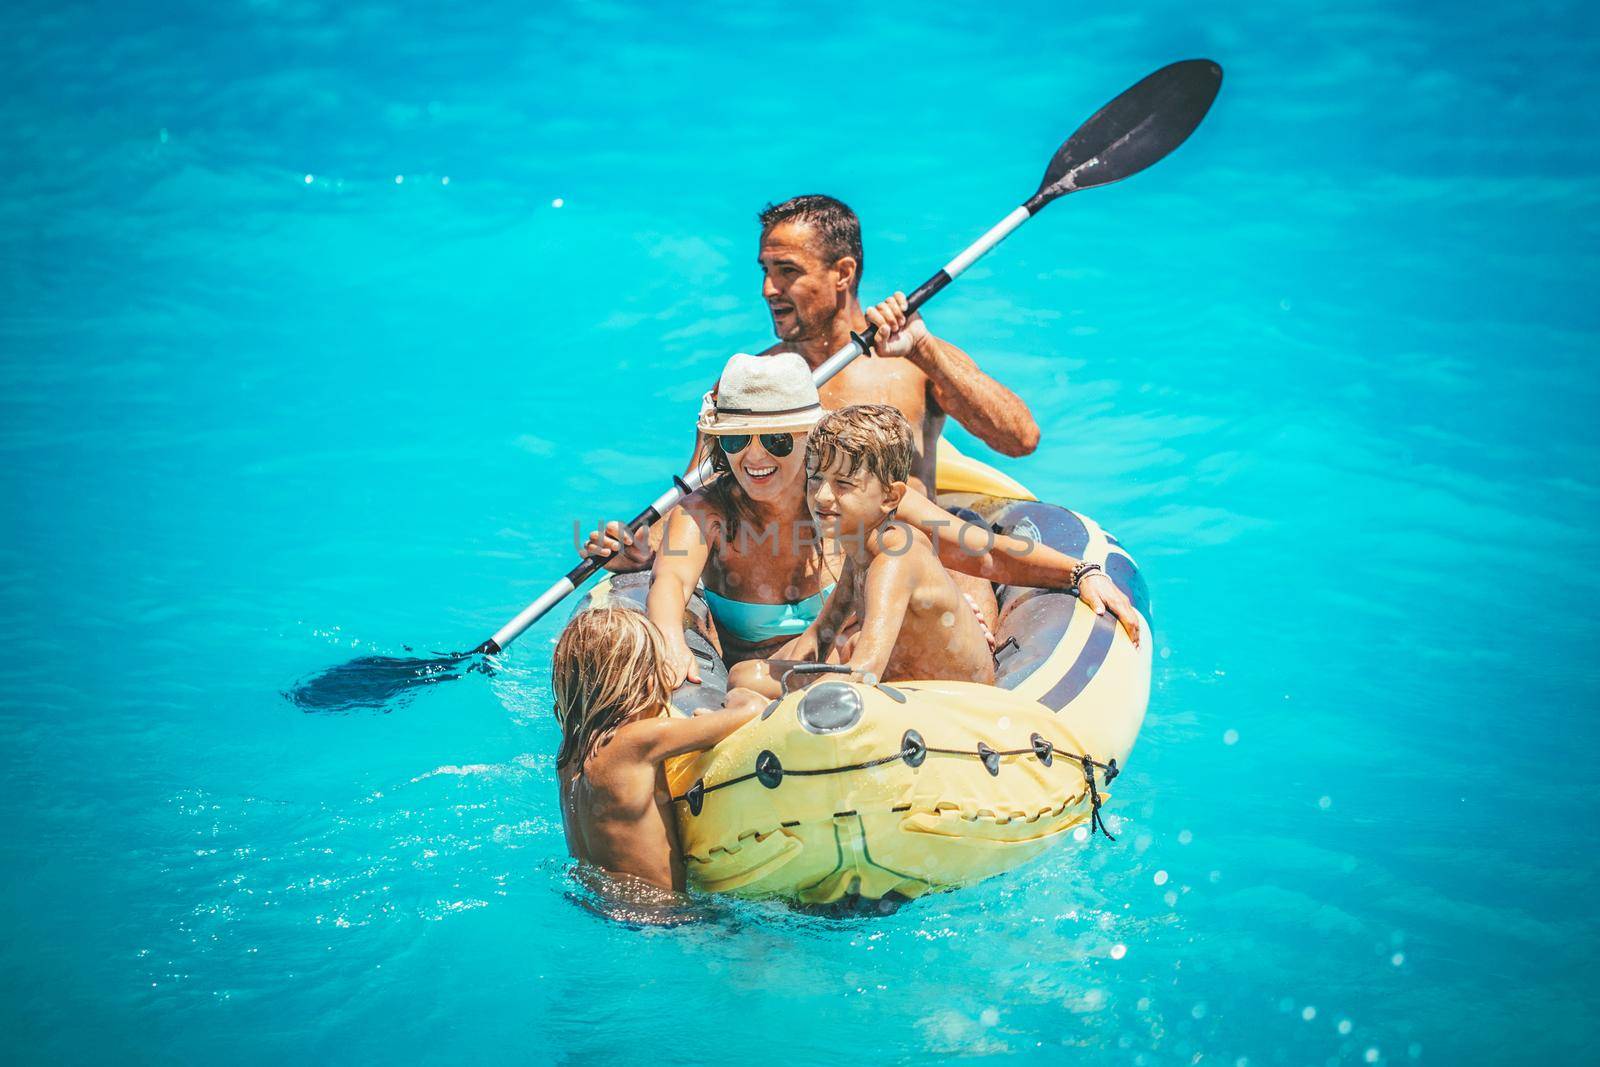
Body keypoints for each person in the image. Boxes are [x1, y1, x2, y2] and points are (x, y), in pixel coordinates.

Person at [618, 353, 1139, 699]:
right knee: (743, 678)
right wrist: (669, 637)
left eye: (775, 441)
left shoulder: (858, 499)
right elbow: (670, 585)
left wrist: (1081, 573)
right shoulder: (707, 513)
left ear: (808, 435)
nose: (754, 457)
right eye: (736, 441)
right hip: (811, 662)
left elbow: (981, 552)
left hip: (872, 659)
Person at [731, 405, 995, 701]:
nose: (822, 496)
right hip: (906, 685)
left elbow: (865, 673)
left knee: (756, 686)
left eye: (843, 484)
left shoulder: (894, 558)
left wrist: (770, 708)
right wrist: (758, 677)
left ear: (890, 497)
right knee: (744, 675)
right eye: (816, 479)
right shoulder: (861, 545)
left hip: (954, 705)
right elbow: (820, 636)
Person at [553, 608, 755, 893]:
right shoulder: (639, 740)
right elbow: (748, 712)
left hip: (594, 902)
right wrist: (738, 692)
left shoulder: (568, 752)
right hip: (660, 913)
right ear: (645, 679)